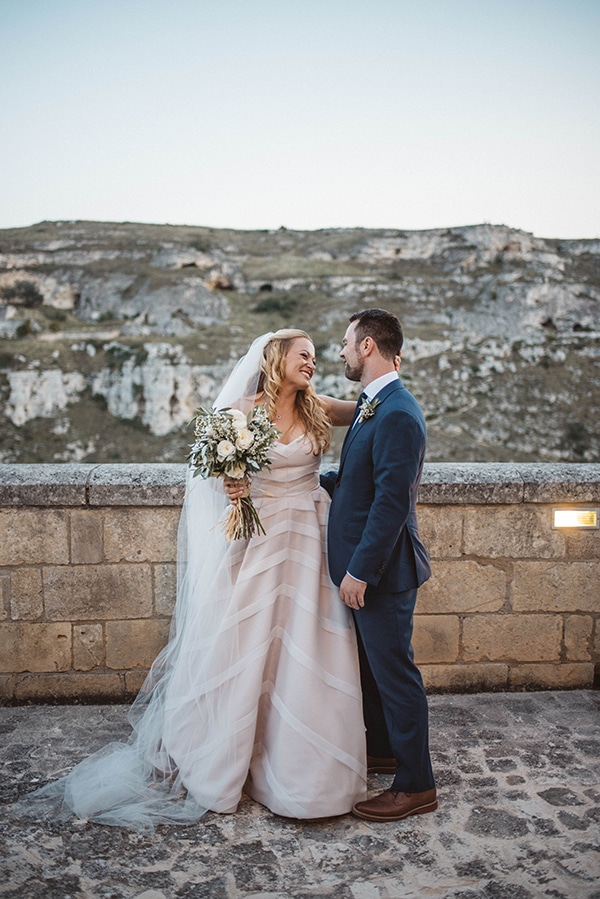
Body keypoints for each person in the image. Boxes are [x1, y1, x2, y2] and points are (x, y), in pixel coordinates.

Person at [15, 330, 367, 831]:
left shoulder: (318, 407)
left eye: (315, 357)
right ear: (276, 358)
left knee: (305, 650)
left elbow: (373, 409)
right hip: (260, 542)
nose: (313, 363)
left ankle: (306, 772)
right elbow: (211, 475)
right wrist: (232, 482)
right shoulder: (241, 412)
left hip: (312, 539)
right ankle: (224, 759)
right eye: (303, 355)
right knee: (243, 645)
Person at [321, 308, 437, 822]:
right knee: (372, 672)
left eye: (347, 343)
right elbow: (364, 480)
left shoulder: (397, 413)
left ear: (368, 346)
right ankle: (388, 750)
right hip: (370, 569)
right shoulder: (375, 404)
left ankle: (416, 785)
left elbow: (391, 503)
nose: (341, 351)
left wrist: (361, 571)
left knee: (395, 675)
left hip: (383, 574)